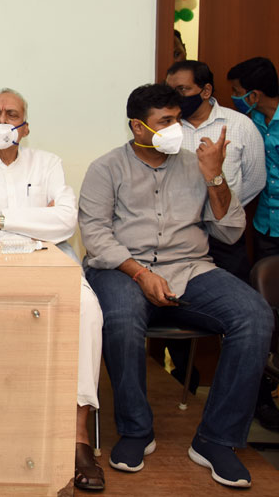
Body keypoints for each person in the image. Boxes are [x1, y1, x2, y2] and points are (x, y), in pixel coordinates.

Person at [79, 83, 270, 489]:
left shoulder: (196, 165)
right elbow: (95, 236)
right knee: (121, 318)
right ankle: (136, 430)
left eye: (178, 119)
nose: (176, 129)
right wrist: (140, 273)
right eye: (165, 121)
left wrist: (215, 176)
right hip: (122, 268)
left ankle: (216, 439)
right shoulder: (106, 168)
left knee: (255, 316)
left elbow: (231, 231)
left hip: (189, 268)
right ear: (138, 126)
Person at [0, 88, 105, 491]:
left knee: (88, 311)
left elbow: (65, 222)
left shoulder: (48, 163)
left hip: (48, 258)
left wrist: (0, 220)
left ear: (26, 126)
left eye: (11, 114)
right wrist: (33, 228)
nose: (2, 120)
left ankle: (78, 436)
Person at [165, 60, 265, 281]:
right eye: (170, 90)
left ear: (206, 91)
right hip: (179, 234)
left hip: (225, 234)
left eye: (182, 89)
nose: (174, 97)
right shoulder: (166, 128)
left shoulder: (240, 125)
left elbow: (255, 180)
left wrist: (223, 208)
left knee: (234, 293)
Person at [227, 56, 279, 261]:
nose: (233, 97)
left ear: (254, 95)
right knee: (265, 277)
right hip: (265, 225)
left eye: (237, 92)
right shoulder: (250, 122)